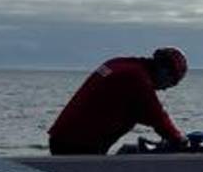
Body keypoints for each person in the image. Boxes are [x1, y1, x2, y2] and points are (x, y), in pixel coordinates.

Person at [48, 47, 189, 155]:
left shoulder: (118, 64)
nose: (164, 89)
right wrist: (179, 140)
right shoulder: (136, 78)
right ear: (165, 72)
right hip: (77, 145)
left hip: (63, 137)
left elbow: (139, 111)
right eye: (172, 83)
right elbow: (157, 116)